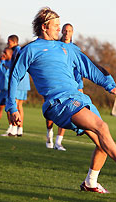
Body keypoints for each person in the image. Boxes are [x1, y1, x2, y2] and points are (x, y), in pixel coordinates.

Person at [6, 7, 116, 193]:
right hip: (59, 104)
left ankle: (90, 182)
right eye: (56, 26)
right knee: (103, 128)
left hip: (79, 99)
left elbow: (89, 67)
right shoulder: (30, 50)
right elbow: (14, 76)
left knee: (103, 143)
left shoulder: (66, 48)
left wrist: (110, 85)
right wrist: (12, 106)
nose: (59, 29)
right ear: (44, 27)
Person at [46, 23, 83, 151]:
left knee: (67, 112)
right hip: (55, 84)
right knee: (51, 113)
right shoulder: (55, 46)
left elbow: (79, 69)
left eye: (70, 31)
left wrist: (80, 85)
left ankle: (58, 142)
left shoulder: (75, 49)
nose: (67, 33)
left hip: (71, 86)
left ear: (73, 32)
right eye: (65, 30)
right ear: (61, 31)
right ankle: (49, 134)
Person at [5, 35, 31, 137]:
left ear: (13, 42)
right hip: (24, 82)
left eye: (9, 42)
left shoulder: (17, 50)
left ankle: (14, 129)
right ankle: (20, 129)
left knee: (15, 105)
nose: (8, 44)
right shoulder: (19, 50)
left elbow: (16, 68)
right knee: (19, 106)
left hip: (19, 82)